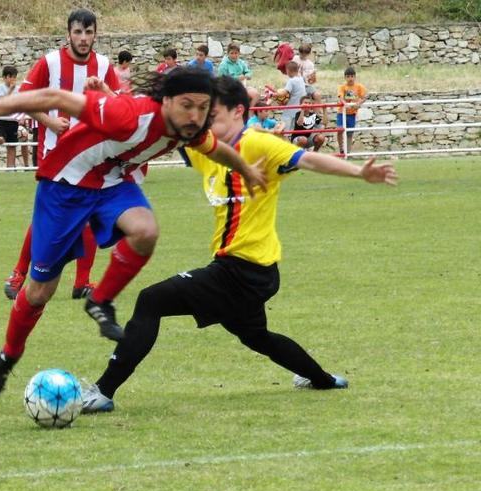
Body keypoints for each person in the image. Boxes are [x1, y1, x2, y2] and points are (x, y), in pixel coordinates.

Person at [80, 76, 397, 414]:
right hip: (247, 273)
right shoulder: (208, 149)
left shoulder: (259, 144)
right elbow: (157, 124)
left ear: (238, 111)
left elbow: (308, 160)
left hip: (243, 271)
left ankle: (103, 391)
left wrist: (357, 173)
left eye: (211, 115)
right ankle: (322, 379)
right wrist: (110, 99)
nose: (203, 123)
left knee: (151, 299)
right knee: (256, 336)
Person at [0, 68, 268, 399]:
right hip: (65, 187)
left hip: (111, 184)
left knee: (145, 231)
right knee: (39, 291)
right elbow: (53, 97)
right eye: (188, 105)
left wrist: (245, 168)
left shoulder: (189, 128)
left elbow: (215, 148)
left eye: (203, 108)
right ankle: (7, 355)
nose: (196, 116)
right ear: (168, 100)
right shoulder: (128, 116)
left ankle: (100, 301)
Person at [3, 8, 123, 302]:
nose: (83, 38)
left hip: (93, 155)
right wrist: (50, 122)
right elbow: (24, 100)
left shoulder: (104, 66)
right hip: (55, 155)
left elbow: (121, 106)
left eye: (89, 32)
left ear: (96, 34)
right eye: (78, 32)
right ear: (68, 33)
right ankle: (19, 272)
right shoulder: (50, 62)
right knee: (49, 217)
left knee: (91, 215)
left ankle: (82, 282)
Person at [337, 66, 367, 154]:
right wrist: (344, 104)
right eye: (348, 76)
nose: (350, 78)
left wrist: (359, 103)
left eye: (352, 76)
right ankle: (341, 148)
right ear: (345, 77)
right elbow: (340, 97)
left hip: (352, 113)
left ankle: (348, 152)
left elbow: (364, 97)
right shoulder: (342, 87)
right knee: (339, 130)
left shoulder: (359, 86)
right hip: (342, 113)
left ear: (355, 77)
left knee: (349, 133)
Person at [291, 43, 325, 124]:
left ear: (308, 54)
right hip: (296, 84)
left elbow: (312, 80)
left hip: (306, 85)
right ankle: (298, 117)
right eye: (301, 53)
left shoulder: (310, 64)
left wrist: (311, 77)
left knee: (317, 95)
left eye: (305, 53)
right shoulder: (295, 59)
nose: (302, 55)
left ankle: (316, 117)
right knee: (300, 96)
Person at [0, 66, 20, 168]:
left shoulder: (18, 89)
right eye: (10, 77)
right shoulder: (0, 87)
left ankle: (10, 167)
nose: (12, 79)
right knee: (0, 139)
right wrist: (10, 91)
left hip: (13, 119)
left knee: (12, 145)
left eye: (14, 77)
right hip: (1, 119)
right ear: (4, 77)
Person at [272, 61, 306, 131]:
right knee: (294, 130)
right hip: (299, 109)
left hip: (291, 109)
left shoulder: (291, 81)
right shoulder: (301, 79)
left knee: (285, 128)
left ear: (288, 71)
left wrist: (273, 94)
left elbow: (284, 92)